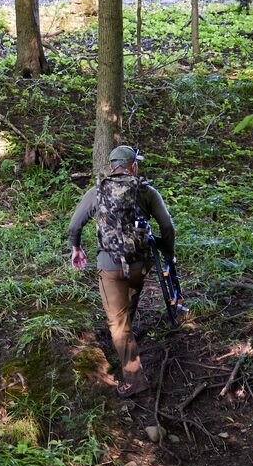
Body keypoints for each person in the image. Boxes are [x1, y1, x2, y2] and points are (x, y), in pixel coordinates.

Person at [68, 145, 175, 397]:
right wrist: (167, 253)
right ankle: (127, 341)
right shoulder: (146, 191)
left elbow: (75, 226)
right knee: (126, 311)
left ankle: (134, 378)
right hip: (139, 265)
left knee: (117, 322)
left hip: (110, 265)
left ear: (112, 166)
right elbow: (167, 227)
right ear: (133, 166)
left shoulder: (97, 191)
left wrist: (76, 249)